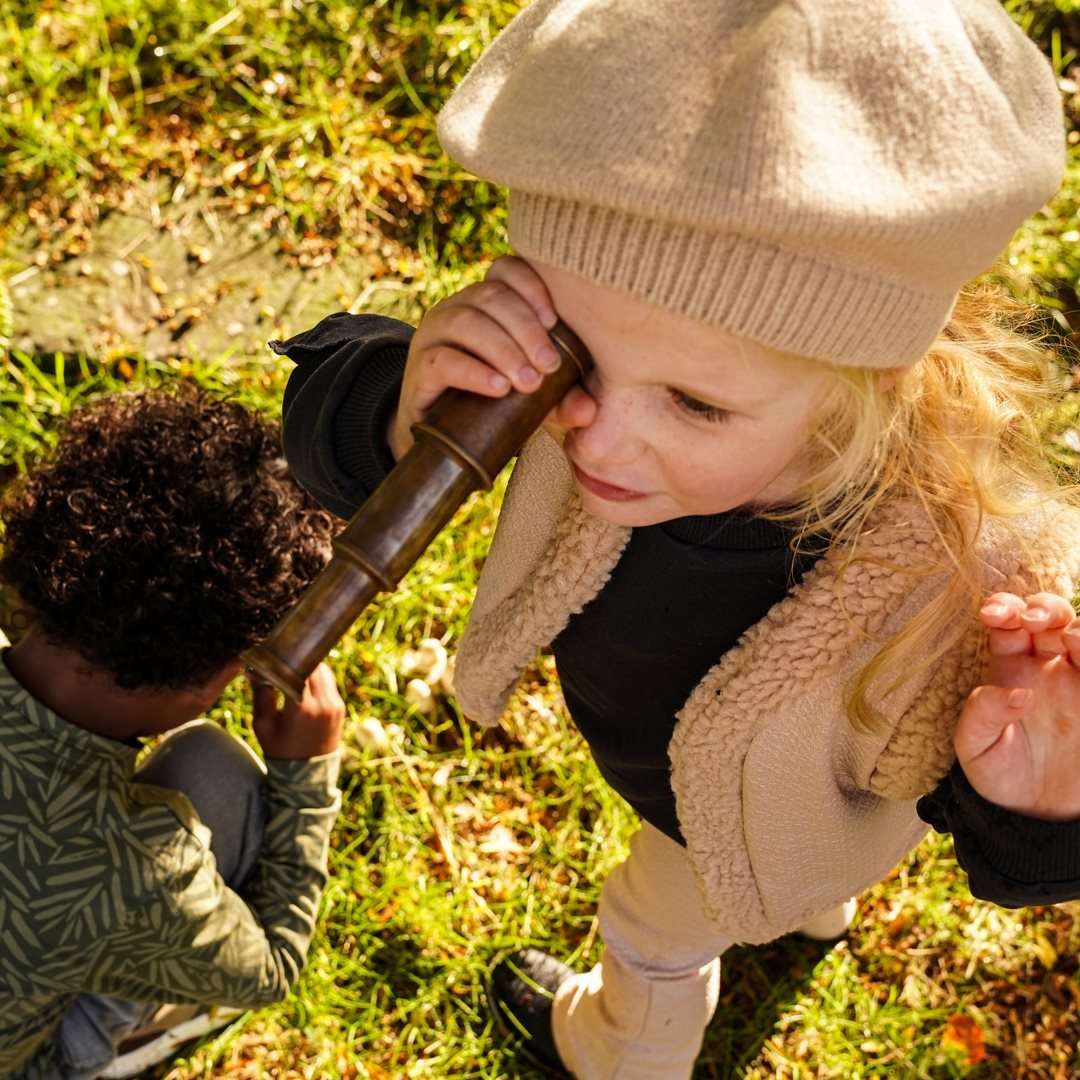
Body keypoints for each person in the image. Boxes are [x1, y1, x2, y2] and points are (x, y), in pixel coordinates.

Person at [276, 1, 1080, 1076]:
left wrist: (1043, 794)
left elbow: (1010, 855)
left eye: (696, 406)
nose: (595, 432)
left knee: (656, 933)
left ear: (868, 386)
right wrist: (401, 410)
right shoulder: (631, 378)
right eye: (570, 355)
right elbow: (316, 430)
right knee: (815, 846)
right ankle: (811, 900)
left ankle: (619, 1052)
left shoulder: (963, 579)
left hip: (704, 824)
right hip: (775, 790)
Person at [0, 386, 345, 1080]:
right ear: (208, 680)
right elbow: (273, 966)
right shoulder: (139, 873)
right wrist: (307, 776)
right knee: (215, 772)